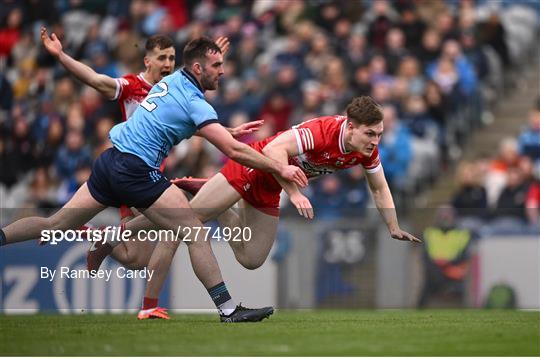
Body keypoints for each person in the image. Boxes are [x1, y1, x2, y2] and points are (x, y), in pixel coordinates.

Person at [0, 37, 308, 322]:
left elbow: (176, 117)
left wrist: (219, 118)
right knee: (194, 232)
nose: (223, 72)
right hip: (136, 170)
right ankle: (228, 310)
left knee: (55, 224)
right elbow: (233, 152)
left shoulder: (171, 81)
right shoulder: (195, 101)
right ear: (198, 68)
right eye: (217, 66)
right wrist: (279, 168)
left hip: (110, 160)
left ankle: (9, 237)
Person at [88, 96, 421, 299]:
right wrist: (293, 191)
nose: (375, 141)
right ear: (350, 126)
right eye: (370, 133)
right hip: (255, 165)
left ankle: (214, 197)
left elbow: (379, 187)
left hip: (270, 185)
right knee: (185, 220)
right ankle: (117, 240)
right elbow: (276, 149)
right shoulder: (321, 132)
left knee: (251, 258)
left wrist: (392, 225)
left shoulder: (363, 151)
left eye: (378, 135)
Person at [40, 28, 229, 222]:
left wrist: (211, 60)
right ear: (147, 62)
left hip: (154, 169)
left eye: (172, 59)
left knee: (146, 246)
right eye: (162, 58)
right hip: (133, 170)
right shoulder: (132, 87)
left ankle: (102, 238)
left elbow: (186, 123)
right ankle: (102, 238)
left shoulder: (176, 88)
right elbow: (94, 79)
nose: (168, 64)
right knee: (172, 233)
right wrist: (62, 56)